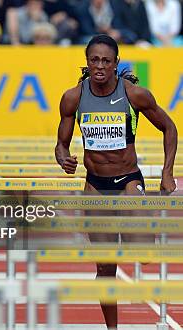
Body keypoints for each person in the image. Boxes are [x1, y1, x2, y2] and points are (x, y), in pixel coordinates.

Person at [55, 34, 177, 329]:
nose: (99, 66)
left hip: (128, 181)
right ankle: (112, 328)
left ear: (115, 64)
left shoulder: (134, 95)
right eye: (94, 60)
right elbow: (61, 144)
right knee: (106, 267)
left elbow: (169, 127)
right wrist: (63, 157)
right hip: (95, 184)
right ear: (87, 63)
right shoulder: (73, 97)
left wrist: (167, 171)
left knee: (145, 256)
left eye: (106, 61)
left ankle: (139, 227)